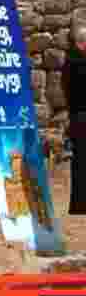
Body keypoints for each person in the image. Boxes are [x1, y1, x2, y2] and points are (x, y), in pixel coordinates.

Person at [64, 22, 86, 214]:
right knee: (81, 161)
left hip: (77, 116)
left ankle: (79, 203)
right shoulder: (77, 62)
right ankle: (80, 203)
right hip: (81, 115)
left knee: (79, 161)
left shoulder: (71, 61)